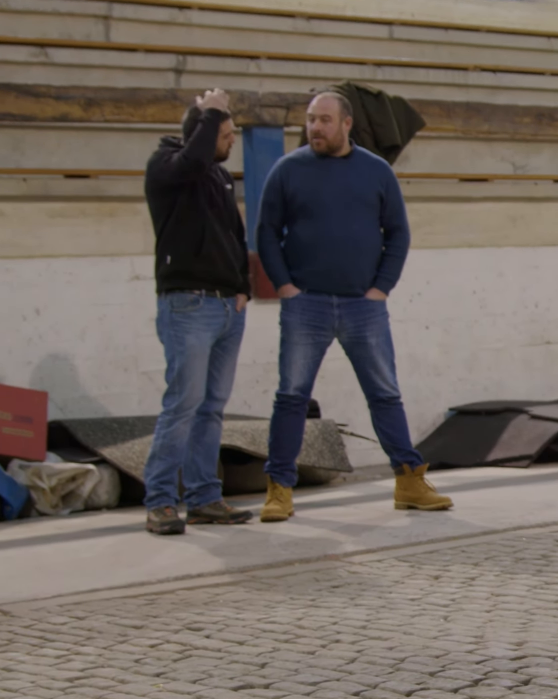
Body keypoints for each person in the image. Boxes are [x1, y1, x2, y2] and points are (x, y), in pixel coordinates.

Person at [254, 92, 450, 522]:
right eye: (310, 119)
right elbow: (266, 231)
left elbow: (397, 233)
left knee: (384, 393)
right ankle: (279, 489)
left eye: (324, 120)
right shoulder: (287, 170)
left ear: (346, 124)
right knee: (292, 397)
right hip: (305, 305)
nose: (315, 127)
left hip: (364, 306)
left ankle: (409, 481)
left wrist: (381, 288)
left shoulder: (376, 171)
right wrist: (285, 286)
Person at [139, 88, 254, 535]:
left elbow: (233, 233)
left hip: (227, 307)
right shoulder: (166, 167)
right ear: (202, 134)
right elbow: (191, 162)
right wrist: (211, 113)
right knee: (182, 405)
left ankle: (205, 497)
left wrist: (242, 288)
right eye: (225, 134)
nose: (232, 141)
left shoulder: (219, 176)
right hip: (188, 305)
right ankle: (160, 501)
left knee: (212, 407)